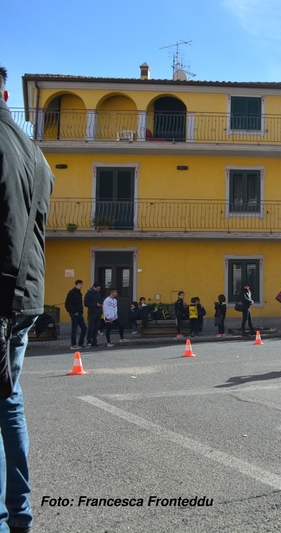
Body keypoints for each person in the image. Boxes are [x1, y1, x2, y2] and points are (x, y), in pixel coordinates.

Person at [0, 64, 54, 533]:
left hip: (3, 295)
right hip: (25, 297)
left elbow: (10, 229)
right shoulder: (36, 154)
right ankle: (18, 515)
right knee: (8, 401)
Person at [65, 279, 87, 349]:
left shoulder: (79, 293)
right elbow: (67, 304)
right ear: (76, 285)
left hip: (79, 313)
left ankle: (81, 343)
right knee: (74, 329)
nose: (81, 286)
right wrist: (74, 312)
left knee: (84, 328)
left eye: (82, 284)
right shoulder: (72, 293)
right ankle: (73, 344)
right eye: (79, 285)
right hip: (75, 313)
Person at [84, 283, 104, 347]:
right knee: (91, 328)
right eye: (97, 289)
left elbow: (101, 301)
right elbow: (86, 303)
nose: (98, 290)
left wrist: (100, 304)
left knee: (96, 328)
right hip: (92, 313)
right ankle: (89, 341)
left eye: (99, 289)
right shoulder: (89, 294)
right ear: (94, 287)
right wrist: (95, 304)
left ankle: (94, 341)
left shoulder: (99, 294)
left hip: (98, 312)